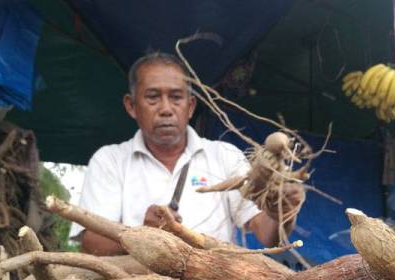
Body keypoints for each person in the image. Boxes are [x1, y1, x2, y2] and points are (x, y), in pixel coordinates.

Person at [71, 52, 303, 256]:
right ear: (131, 105)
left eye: (176, 97)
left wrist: (281, 212)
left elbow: (267, 235)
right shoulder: (109, 160)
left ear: (190, 106)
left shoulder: (225, 156)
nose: (165, 109)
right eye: (153, 97)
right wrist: (141, 236)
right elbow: (92, 243)